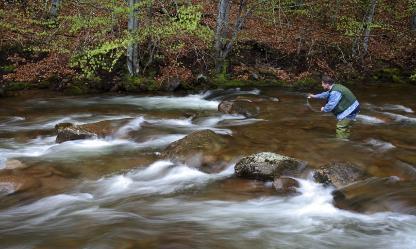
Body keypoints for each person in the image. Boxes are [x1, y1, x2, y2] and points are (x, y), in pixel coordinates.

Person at [308, 75, 360, 139]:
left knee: (340, 127)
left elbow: (331, 105)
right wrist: (314, 96)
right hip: (355, 106)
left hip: (350, 110)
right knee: (346, 127)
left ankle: (341, 144)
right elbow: (326, 94)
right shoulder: (335, 87)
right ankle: (346, 140)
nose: (322, 85)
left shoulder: (335, 92)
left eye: (322, 84)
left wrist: (324, 109)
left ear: (327, 84)